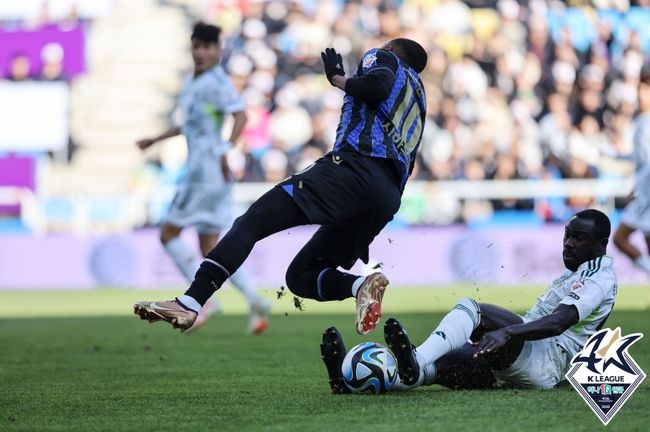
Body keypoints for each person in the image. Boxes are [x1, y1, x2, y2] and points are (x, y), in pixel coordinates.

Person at [133, 38, 429, 335]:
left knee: (252, 222)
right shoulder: (420, 98)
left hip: (353, 169)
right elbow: (410, 157)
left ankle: (191, 302)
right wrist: (371, 213)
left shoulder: (383, 57)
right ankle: (360, 285)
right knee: (300, 277)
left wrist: (338, 79)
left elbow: (378, 86)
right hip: (387, 196)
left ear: (391, 50)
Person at [321, 209, 617, 392]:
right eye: (567, 235)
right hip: (533, 365)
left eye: (578, 238)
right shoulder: (581, 272)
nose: (568, 242)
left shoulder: (599, 276)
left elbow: (559, 322)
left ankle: (417, 357)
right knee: (439, 369)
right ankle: (347, 382)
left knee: (474, 310)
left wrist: (506, 332)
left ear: (601, 245)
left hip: (544, 356)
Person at [135, 22, 270, 334]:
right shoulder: (193, 82)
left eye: (208, 47)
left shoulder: (215, 81)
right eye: (197, 46)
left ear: (218, 50)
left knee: (168, 233)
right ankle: (254, 299)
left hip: (204, 173)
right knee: (211, 248)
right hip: (208, 172)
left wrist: (225, 148)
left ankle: (202, 302)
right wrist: (156, 139)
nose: (201, 52)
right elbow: (189, 125)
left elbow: (241, 115)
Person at [613, 64, 650, 277]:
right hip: (645, 191)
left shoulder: (646, 124)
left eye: (645, 90)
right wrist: (614, 155)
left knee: (620, 238)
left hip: (645, 195)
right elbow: (640, 159)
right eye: (639, 89)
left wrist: (635, 186)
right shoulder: (640, 121)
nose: (640, 95)